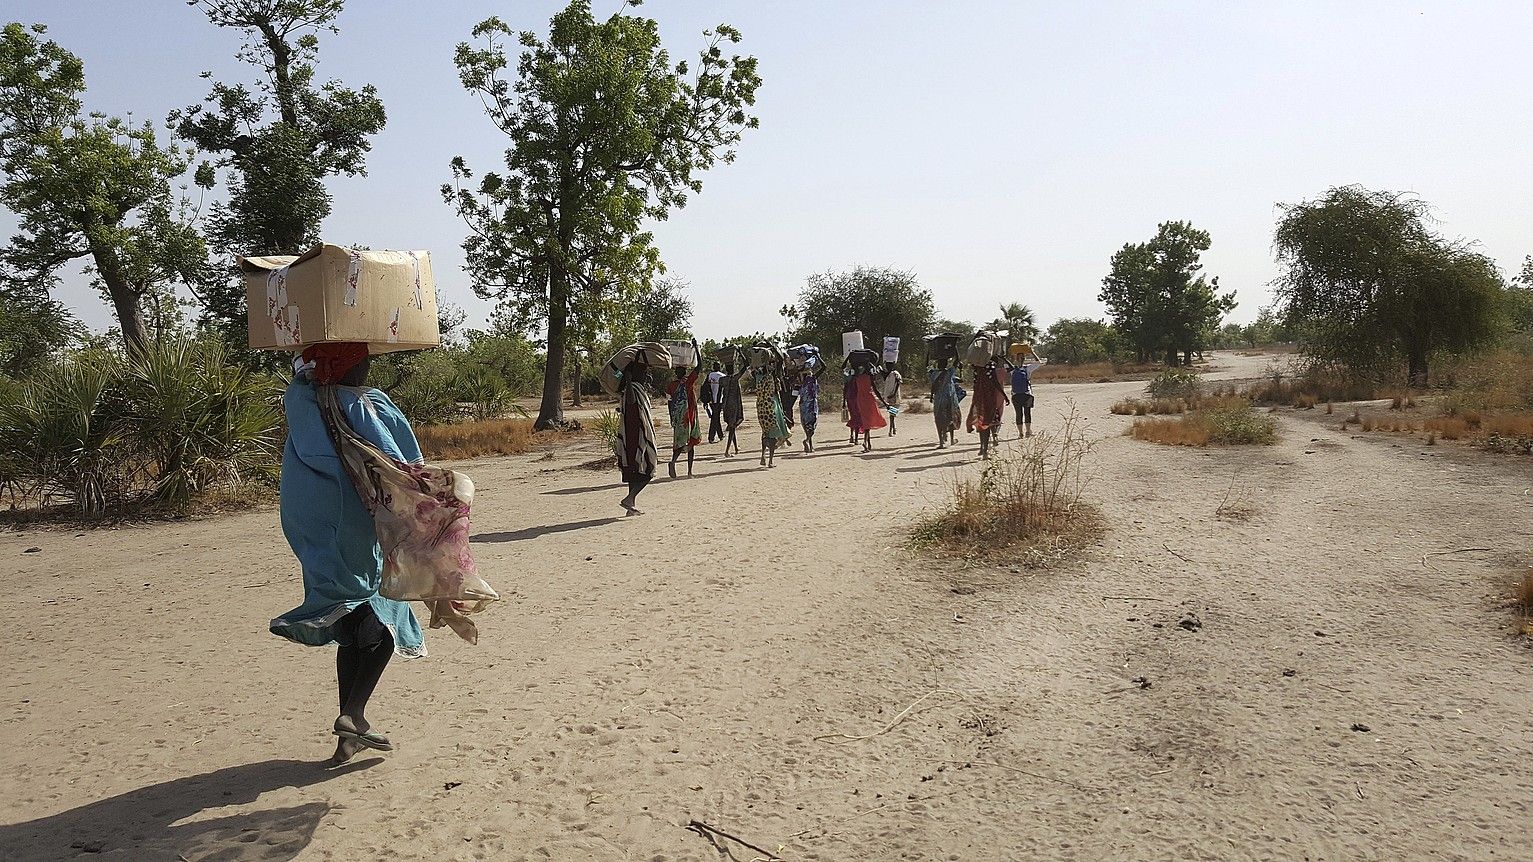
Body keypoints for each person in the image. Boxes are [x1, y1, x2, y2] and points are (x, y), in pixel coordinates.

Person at [271, 342, 425, 766]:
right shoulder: (364, 404)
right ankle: (354, 713)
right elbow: (401, 462)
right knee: (384, 625)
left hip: (308, 523)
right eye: (364, 362)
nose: (368, 369)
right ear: (349, 368)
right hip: (352, 521)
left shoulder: (301, 401)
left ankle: (347, 736)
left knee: (349, 618)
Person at [617, 358, 658, 515]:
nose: (645, 375)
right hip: (636, 435)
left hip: (632, 435)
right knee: (649, 468)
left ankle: (631, 505)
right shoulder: (631, 389)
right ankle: (630, 498)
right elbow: (632, 403)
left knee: (634, 471)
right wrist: (628, 379)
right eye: (642, 372)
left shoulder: (636, 388)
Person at [665, 340, 703, 478]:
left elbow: (669, 402)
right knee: (691, 441)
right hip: (689, 415)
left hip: (678, 418)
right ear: (685, 371)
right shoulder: (688, 382)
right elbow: (699, 366)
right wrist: (697, 349)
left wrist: (672, 418)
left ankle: (674, 462)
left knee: (680, 442)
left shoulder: (671, 385)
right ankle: (689, 471)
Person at [753, 348, 793, 467]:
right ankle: (770, 460)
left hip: (761, 406)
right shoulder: (771, 376)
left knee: (765, 432)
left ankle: (763, 456)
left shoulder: (758, 375)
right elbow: (780, 360)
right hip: (771, 405)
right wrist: (773, 347)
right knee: (773, 433)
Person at [844, 351, 889, 452]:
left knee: (865, 421)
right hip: (869, 399)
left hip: (860, 399)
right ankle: (866, 442)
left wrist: (848, 357)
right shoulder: (869, 377)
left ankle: (867, 443)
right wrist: (884, 402)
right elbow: (876, 391)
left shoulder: (856, 378)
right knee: (868, 421)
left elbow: (845, 370)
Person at [966, 355, 1010, 459]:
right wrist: (1004, 395)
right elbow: (995, 383)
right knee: (988, 423)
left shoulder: (977, 368)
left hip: (979, 398)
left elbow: (975, 383)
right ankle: (985, 451)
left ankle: (982, 447)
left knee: (981, 423)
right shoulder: (990, 367)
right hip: (989, 398)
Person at [719, 353, 748, 457]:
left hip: (725, 404)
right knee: (732, 427)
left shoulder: (722, 380)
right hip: (734, 405)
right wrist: (740, 353)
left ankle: (735, 448)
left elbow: (719, 393)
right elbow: (746, 365)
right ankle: (727, 451)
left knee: (732, 426)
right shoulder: (736, 378)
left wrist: (718, 405)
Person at [1010, 351, 1043, 438]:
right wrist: (1032, 352)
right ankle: (1028, 431)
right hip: (1027, 394)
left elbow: (1004, 364)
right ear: (1024, 359)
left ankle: (1020, 433)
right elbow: (1039, 362)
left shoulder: (1012, 369)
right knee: (1027, 413)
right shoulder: (1027, 369)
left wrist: (1012, 356)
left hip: (1015, 394)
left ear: (1016, 359)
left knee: (1018, 414)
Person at [703, 362, 725, 444]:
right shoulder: (722, 376)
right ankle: (711, 437)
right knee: (715, 418)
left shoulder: (710, 375)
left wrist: (706, 401)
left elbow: (705, 388)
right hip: (719, 401)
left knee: (715, 417)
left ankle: (720, 435)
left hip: (712, 401)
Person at [882, 363, 903, 436]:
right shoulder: (888, 374)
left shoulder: (895, 374)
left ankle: (891, 430)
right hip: (889, 396)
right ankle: (893, 428)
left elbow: (898, 383)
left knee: (892, 414)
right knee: (891, 413)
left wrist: (893, 394)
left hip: (894, 396)